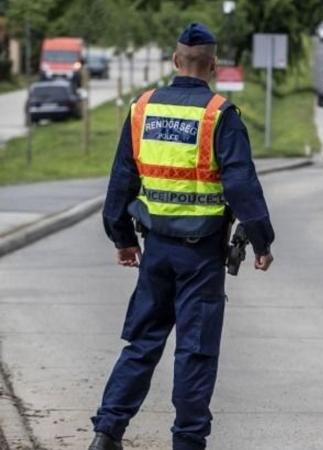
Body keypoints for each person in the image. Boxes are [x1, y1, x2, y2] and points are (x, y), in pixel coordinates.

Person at [88, 23, 275, 450]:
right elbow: (242, 185)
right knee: (195, 351)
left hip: (155, 251)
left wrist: (122, 238)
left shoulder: (143, 108)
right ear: (212, 66)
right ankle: (188, 443)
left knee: (142, 342)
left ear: (175, 62)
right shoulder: (219, 115)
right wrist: (262, 241)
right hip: (202, 256)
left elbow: (122, 179)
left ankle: (106, 432)